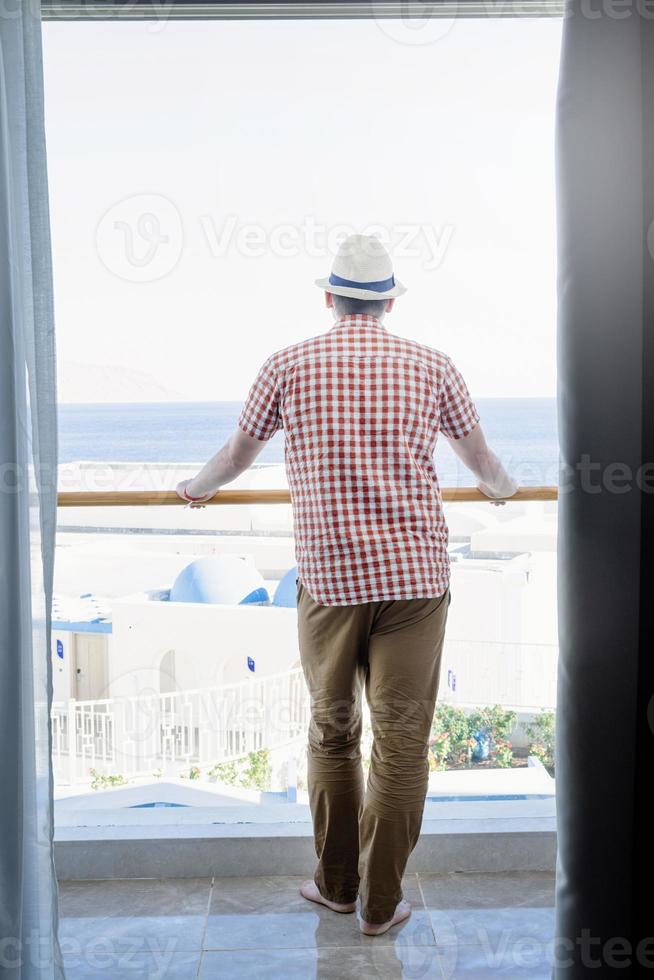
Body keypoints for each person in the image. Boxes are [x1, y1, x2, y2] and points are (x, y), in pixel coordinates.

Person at [176, 233, 518, 935]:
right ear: (390, 300)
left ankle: (337, 887)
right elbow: (479, 457)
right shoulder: (432, 365)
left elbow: (239, 453)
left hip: (331, 582)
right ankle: (381, 906)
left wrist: (196, 488)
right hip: (416, 578)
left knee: (333, 735)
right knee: (400, 740)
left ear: (329, 297)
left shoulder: (288, 364)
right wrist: (504, 489)